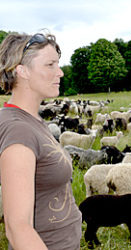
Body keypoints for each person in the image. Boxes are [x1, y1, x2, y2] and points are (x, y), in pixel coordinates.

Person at [0, 32, 82, 249]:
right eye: (50, 65)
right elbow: (17, 228)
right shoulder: (19, 130)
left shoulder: (32, 119)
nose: (61, 72)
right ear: (22, 71)